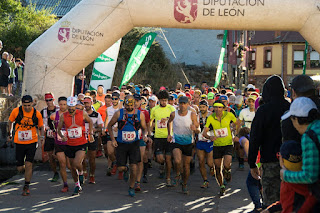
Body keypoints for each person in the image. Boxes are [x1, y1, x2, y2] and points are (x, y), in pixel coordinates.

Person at [249, 75, 290, 207]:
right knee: (288, 200)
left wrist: (252, 163)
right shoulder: (290, 108)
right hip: (291, 161)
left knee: (271, 201)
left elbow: (255, 138)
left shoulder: (263, 110)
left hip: (269, 160)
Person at [280, 97, 320, 212]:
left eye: (292, 120)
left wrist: (285, 175)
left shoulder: (309, 137)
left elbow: (309, 175)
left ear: (296, 119)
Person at [107, 95, 149, 197]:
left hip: (134, 144)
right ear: (125, 104)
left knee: (134, 167)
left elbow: (144, 128)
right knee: (120, 168)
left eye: (131, 105)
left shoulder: (140, 114)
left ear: (134, 104)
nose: (129, 107)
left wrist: (145, 135)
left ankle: (131, 187)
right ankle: (125, 170)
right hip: (122, 144)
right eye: (127, 105)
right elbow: (109, 125)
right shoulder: (119, 113)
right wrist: (113, 139)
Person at [7, 95, 45, 196]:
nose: (27, 107)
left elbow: (41, 127)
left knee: (29, 164)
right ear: (22, 104)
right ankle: (24, 170)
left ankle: (26, 186)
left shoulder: (36, 114)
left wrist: (42, 138)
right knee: (20, 167)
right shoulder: (16, 111)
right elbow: (10, 122)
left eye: (29, 105)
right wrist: (9, 134)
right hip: (19, 142)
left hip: (32, 141)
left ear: (32, 103)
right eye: (25, 105)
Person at [57, 96, 94, 196]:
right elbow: (59, 129)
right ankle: (77, 185)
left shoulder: (82, 113)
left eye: (73, 106)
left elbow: (90, 121)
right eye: (69, 106)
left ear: (76, 106)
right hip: (70, 144)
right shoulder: (63, 116)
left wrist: (90, 134)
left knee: (77, 163)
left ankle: (81, 172)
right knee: (72, 167)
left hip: (81, 142)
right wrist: (62, 136)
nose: (71, 109)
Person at [203, 100, 237, 196]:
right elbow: (204, 132)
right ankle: (221, 186)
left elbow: (237, 123)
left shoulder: (229, 115)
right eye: (216, 107)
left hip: (228, 144)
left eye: (220, 107)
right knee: (217, 168)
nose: (218, 109)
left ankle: (228, 170)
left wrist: (234, 131)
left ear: (223, 108)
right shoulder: (210, 118)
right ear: (213, 108)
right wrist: (210, 137)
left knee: (227, 164)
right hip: (217, 145)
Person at [167, 96, 200, 194]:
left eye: (184, 103)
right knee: (177, 161)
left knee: (186, 166)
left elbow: (198, 129)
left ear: (188, 104)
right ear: (178, 104)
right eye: (181, 103)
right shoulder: (174, 114)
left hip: (188, 143)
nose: (182, 105)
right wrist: (169, 133)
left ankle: (184, 184)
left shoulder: (192, 115)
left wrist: (195, 129)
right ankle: (177, 174)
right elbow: (169, 122)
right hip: (177, 141)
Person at [150, 90, 176, 184]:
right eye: (162, 100)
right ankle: (163, 165)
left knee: (168, 158)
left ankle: (168, 178)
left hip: (169, 136)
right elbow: (151, 120)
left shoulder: (171, 108)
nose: (164, 102)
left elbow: (175, 119)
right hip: (158, 137)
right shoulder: (154, 109)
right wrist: (149, 131)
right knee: (160, 158)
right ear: (159, 100)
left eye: (165, 100)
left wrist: (168, 119)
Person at [238, 127, 263, 212]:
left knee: (251, 182)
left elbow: (245, 143)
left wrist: (251, 159)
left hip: (257, 161)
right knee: (260, 183)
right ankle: (265, 205)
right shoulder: (253, 135)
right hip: (263, 159)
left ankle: (258, 207)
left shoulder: (243, 138)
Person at [50, 96, 70, 192]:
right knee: (62, 164)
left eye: (64, 104)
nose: (62, 106)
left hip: (70, 142)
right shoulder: (54, 115)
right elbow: (52, 127)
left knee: (70, 165)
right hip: (59, 142)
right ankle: (65, 184)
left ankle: (79, 176)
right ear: (58, 104)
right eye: (61, 104)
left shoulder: (71, 114)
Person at [83, 96, 104, 184]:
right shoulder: (81, 114)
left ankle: (92, 175)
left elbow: (101, 128)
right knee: (82, 158)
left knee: (92, 159)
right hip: (82, 138)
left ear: (91, 103)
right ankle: (84, 173)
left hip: (92, 138)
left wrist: (95, 130)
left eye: (88, 103)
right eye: (84, 103)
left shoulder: (96, 115)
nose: (86, 105)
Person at [134, 94, 152, 190]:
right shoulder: (126, 112)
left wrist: (148, 135)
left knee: (141, 159)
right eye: (134, 101)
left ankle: (138, 181)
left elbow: (148, 125)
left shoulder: (145, 112)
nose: (136, 103)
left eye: (137, 101)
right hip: (130, 139)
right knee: (133, 160)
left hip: (141, 138)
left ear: (140, 102)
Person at [41, 92, 59, 182]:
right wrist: (41, 137)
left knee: (59, 155)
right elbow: (40, 125)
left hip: (59, 135)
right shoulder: (43, 111)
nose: (49, 102)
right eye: (47, 100)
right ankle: (55, 173)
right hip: (49, 135)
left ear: (53, 100)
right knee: (51, 156)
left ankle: (64, 169)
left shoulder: (59, 109)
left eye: (50, 100)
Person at [196, 100, 214, 188]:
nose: (202, 109)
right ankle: (205, 180)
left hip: (210, 140)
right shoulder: (197, 116)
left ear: (207, 107)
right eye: (200, 107)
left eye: (204, 107)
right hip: (200, 140)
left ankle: (212, 168)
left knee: (210, 162)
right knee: (201, 161)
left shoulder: (211, 115)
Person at [104, 92, 122, 177]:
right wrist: (105, 128)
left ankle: (119, 168)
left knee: (118, 152)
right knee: (109, 152)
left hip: (119, 134)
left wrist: (118, 127)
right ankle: (115, 163)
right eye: (113, 99)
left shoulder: (121, 109)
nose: (114, 100)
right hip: (110, 133)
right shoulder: (108, 109)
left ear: (119, 99)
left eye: (116, 99)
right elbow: (107, 119)